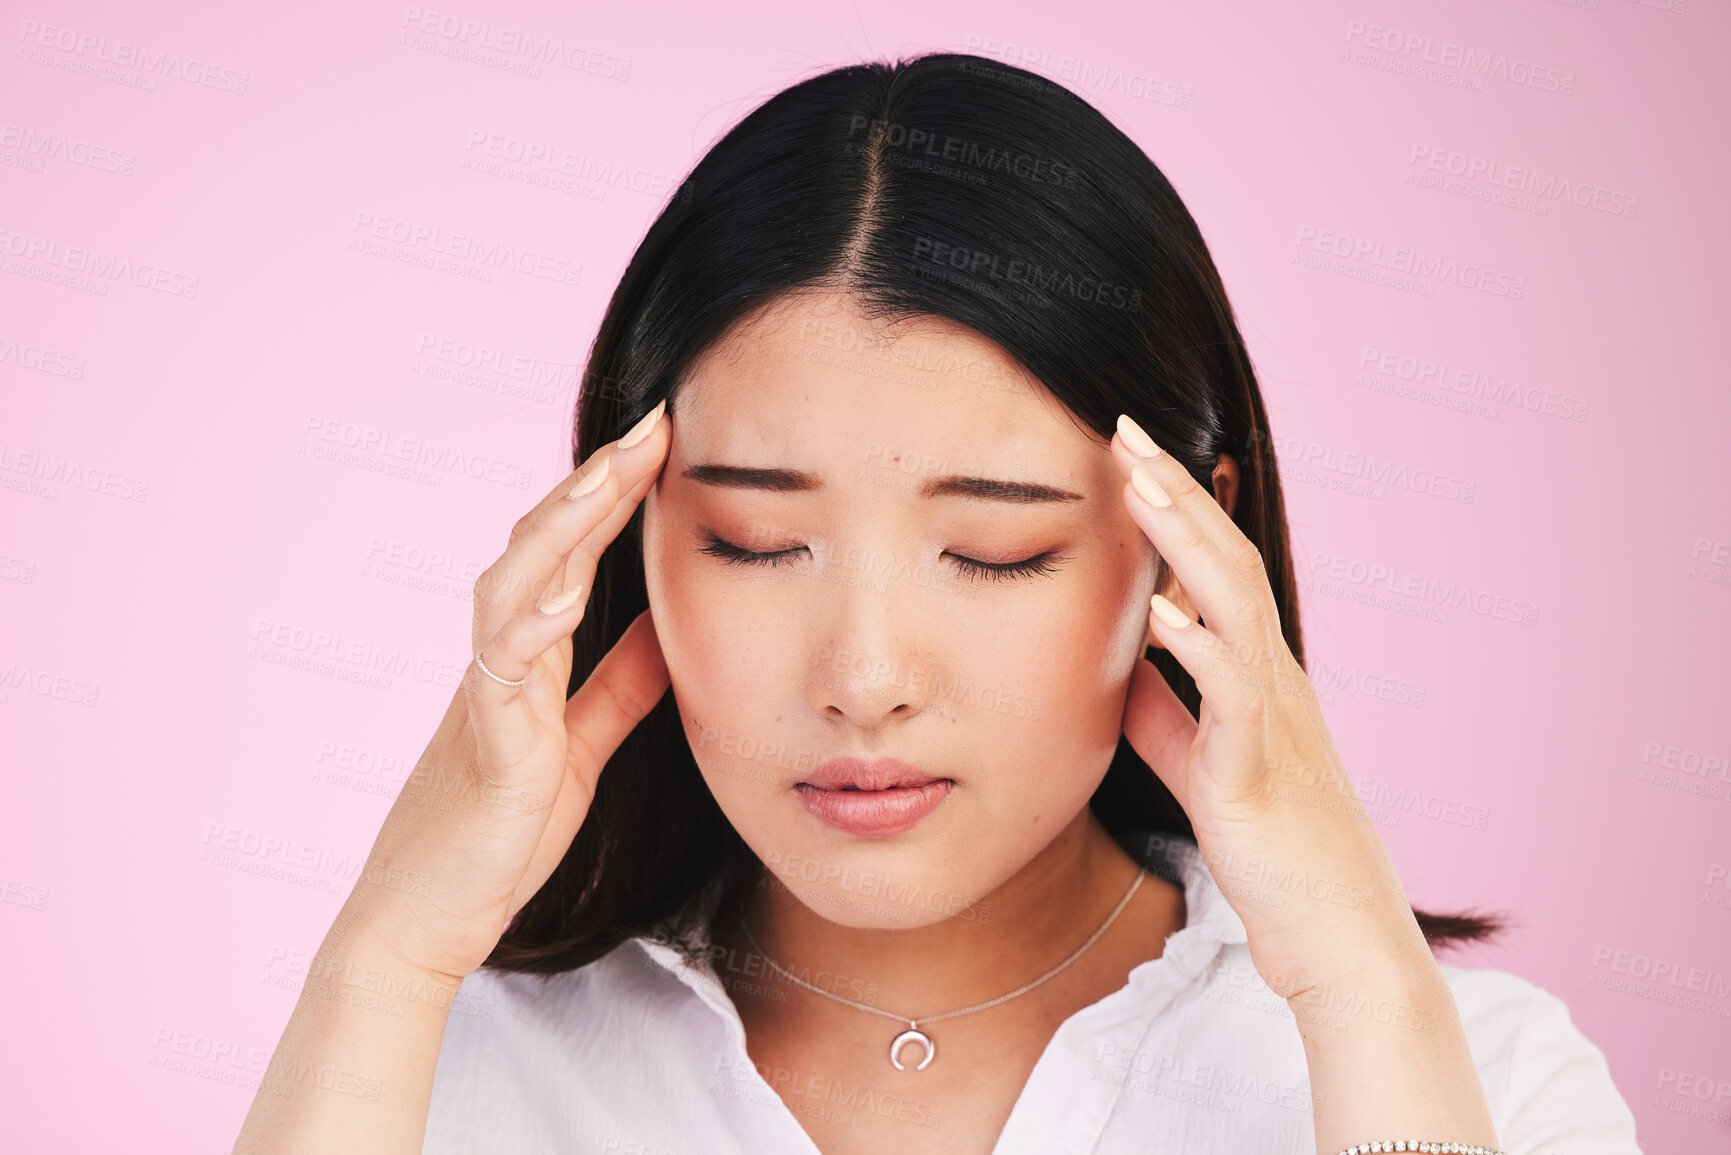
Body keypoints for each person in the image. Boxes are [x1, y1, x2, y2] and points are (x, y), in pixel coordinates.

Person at [232, 53, 1642, 1155]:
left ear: (1187, 539)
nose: (865, 675)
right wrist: (385, 956)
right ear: (626, 535)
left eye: (993, 551)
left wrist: (1361, 995)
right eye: (753, 540)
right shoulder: (427, 1067)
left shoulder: (1474, 1071)